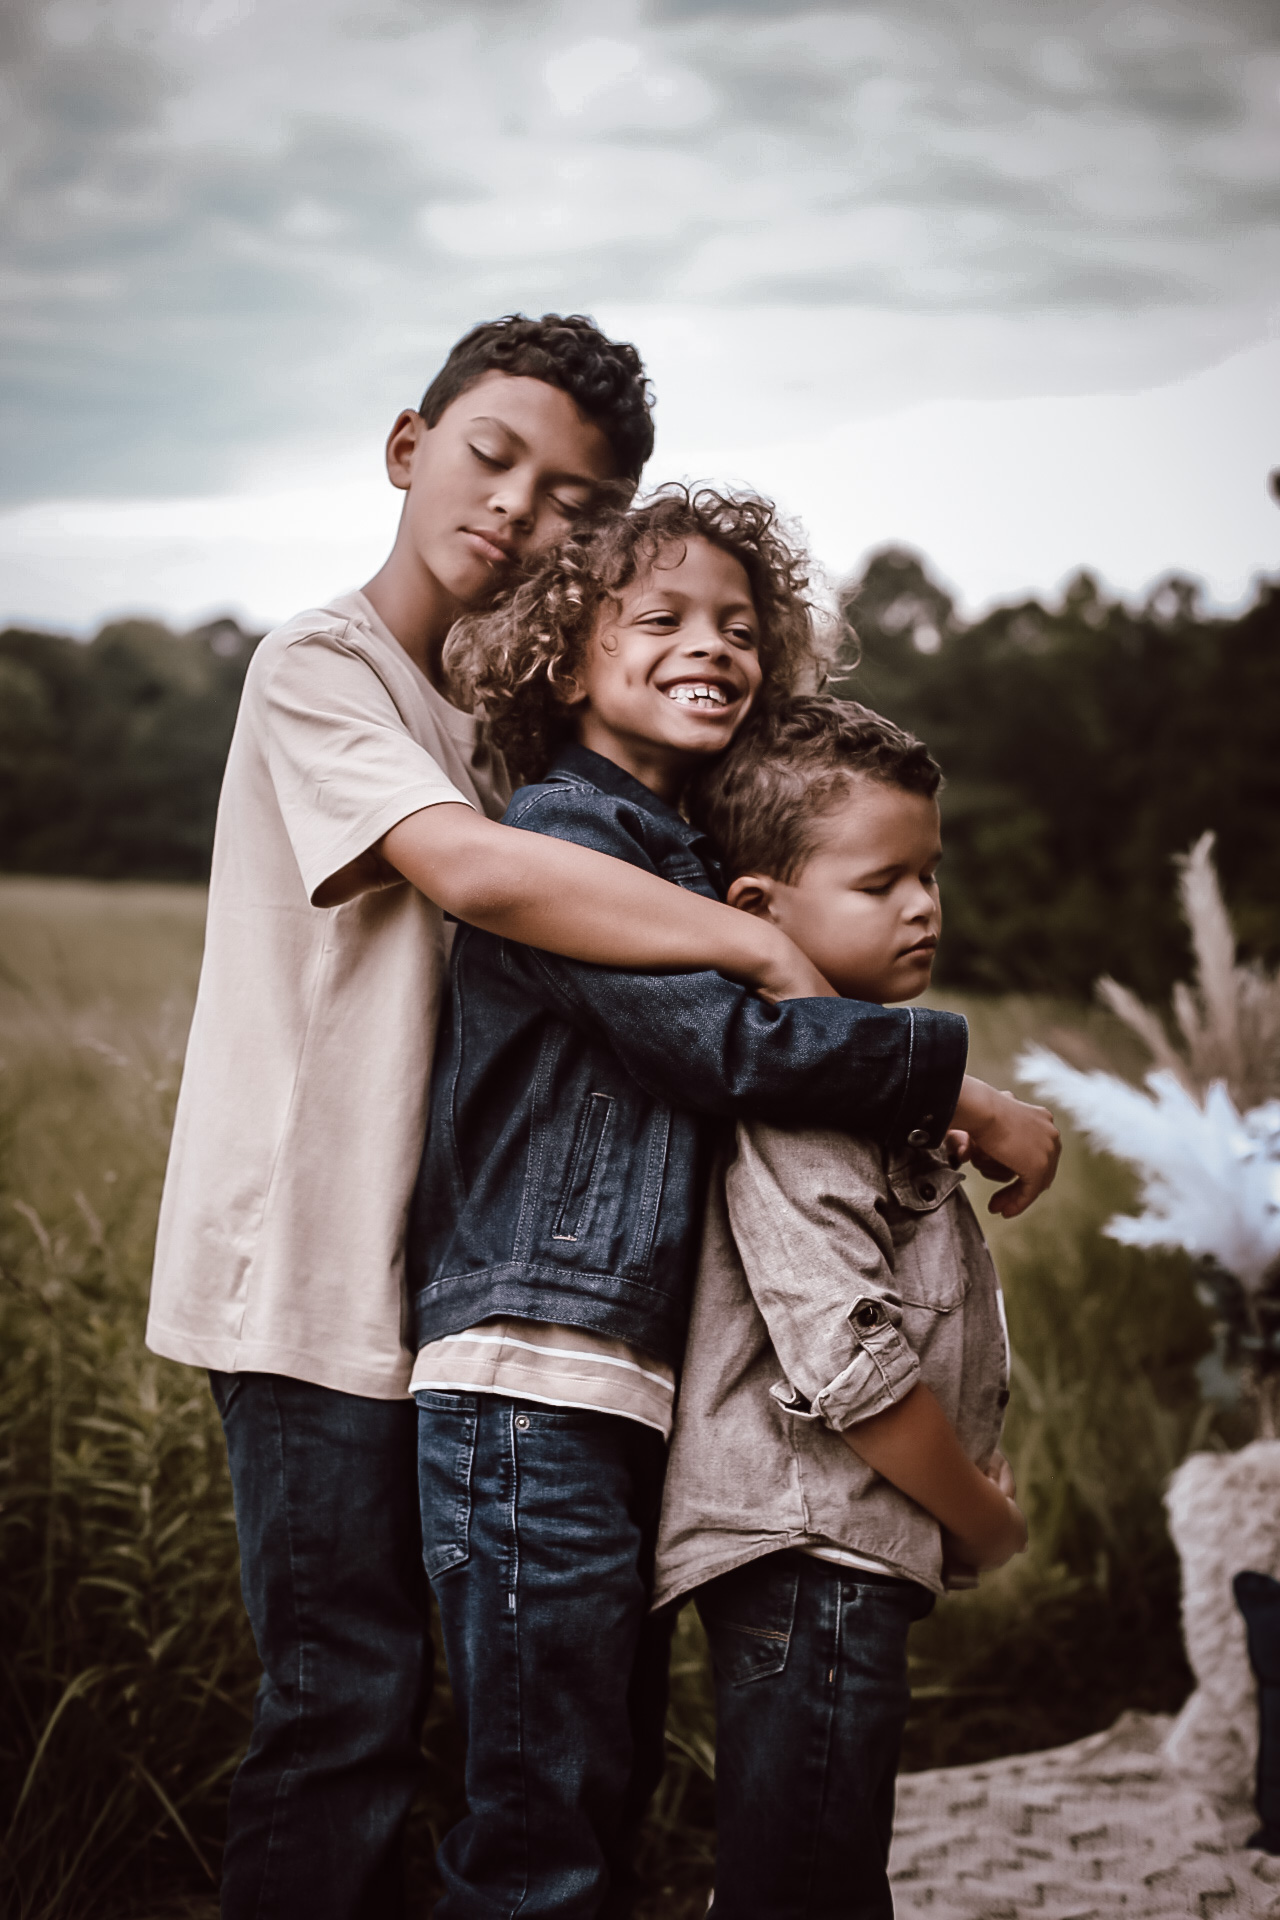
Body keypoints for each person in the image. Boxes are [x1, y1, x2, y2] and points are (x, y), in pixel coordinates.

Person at [145, 315, 848, 1920]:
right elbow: (463, 869)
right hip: (308, 1277)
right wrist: (754, 940)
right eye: (493, 458)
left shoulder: (518, 724)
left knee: (509, 1729)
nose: (522, 511)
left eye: (573, 499)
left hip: (462, 1280)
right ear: (410, 447)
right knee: (345, 1709)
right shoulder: (324, 667)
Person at [407, 492, 1057, 1917]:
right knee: (544, 1820)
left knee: (598, 1785)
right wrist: (962, 1089)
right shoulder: (571, 834)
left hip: (613, 1376)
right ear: (566, 662)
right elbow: (725, 1052)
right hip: (535, 1365)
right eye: (664, 619)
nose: (714, 646)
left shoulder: (686, 855)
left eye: (742, 627)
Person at [655, 694, 1031, 1920]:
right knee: (806, 1881)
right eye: (882, 883)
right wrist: (975, 1516)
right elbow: (851, 1365)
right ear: (759, 910)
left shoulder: (862, 1079)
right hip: (804, 1552)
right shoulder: (800, 1102)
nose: (923, 905)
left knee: (818, 1864)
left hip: (838, 1555)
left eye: (930, 873)